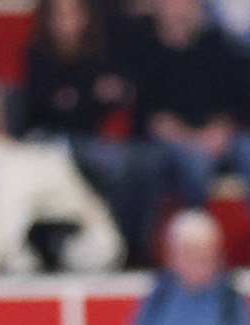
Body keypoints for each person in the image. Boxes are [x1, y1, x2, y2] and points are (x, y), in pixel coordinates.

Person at [127, 0, 250, 264]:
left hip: (214, 135)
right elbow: (153, 118)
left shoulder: (215, 44)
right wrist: (190, 139)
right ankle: (196, 248)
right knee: (196, 163)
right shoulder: (144, 49)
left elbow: (235, 99)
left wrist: (222, 128)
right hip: (171, 140)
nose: (179, 9)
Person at [22, 0, 167, 264]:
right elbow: (50, 106)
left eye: (74, 15)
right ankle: (119, 246)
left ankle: (138, 246)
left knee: (149, 162)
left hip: (91, 138)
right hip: (52, 140)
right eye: (61, 16)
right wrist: (89, 95)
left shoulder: (96, 52)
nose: (68, 23)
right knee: (115, 166)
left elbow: (111, 97)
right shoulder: (38, 55)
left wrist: (84, 97)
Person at [0, 86, 125, 274]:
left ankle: (59, 241)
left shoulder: (36, 153)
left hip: (60, 221)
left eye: (1, 118)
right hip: (9, 243)